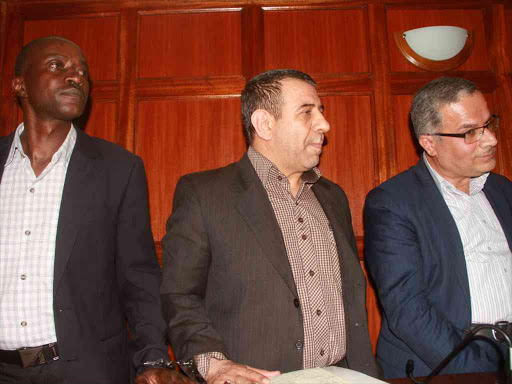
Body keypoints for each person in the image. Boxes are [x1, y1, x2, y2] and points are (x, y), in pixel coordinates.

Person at [161, 69, 380, 384]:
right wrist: (212, 364)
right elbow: (179, 294)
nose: (324, 124)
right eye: (307, 112)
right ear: (265, 124)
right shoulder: (205, 194)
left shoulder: (333, 196)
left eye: (321, 111)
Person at [0, 36, 193, 384]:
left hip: (85, 371)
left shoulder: (118, 169)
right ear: (19, 84)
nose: (76, 77)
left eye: (83, 72)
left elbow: (139, 275)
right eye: (58, 66)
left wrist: (153, 356)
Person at [364, 77, 512, 378]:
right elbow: (408, 311)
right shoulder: (393, 203)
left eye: (488, 125)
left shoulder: (504, 191)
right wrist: (482, 369)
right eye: (470, 132)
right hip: (442, 366)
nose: (491, 140)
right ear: (429, 143)